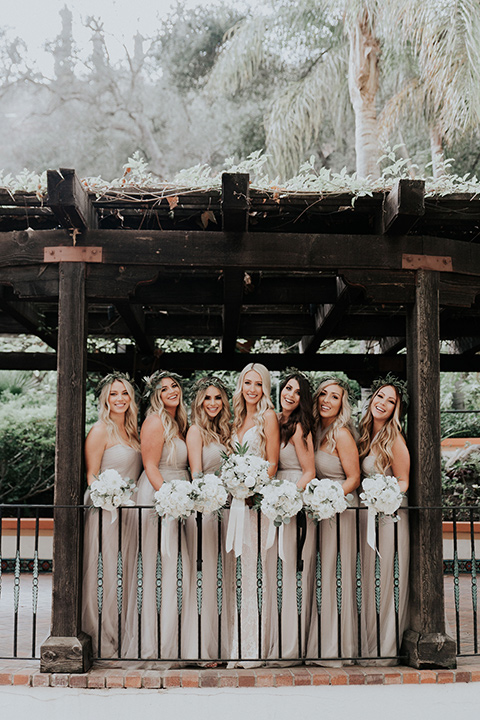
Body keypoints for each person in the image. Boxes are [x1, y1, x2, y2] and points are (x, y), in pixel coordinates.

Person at [125, 371, 193, 663]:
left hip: (180, 495)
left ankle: (176, 637)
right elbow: (150, 466)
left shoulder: (181, 424)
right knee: (157, 567)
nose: (171, 391)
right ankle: (153, 641)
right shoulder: (154, 422)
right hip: (158, 496)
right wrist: (169, 497)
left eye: (174, 386)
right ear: (156, 395)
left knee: (178, 568)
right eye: (164, 389)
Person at [82, 373, 142, 658]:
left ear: (131, 399)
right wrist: (107, 497)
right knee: (103, 572)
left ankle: (121, 634)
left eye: (124, 394)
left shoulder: (134, 432)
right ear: (105, 398)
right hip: (105, 511)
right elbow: (91, 475)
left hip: (130, 511)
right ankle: (100, 638)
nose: (119, 399)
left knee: (126, 573)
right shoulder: (99, 431)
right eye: (114, 394)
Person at [227, 362, 279, 667]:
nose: (252, 389)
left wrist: (253, 488)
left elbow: (272, 463)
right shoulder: (236, 418)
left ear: (265, 388)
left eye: (258, 384)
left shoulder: (268, 417)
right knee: (240, 574)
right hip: (236, 505)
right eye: (248, 382)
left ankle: (253, 646)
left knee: (255, 573)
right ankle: (237, 643)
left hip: (256, 506)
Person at [306, 376, 361, 665]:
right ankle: (319, 643)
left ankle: (337, 647)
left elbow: (353, 478)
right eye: (323, 395)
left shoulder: (341, 434)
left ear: (342, 404)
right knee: (320, 575)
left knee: (336, 575)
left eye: (334, 397)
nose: (327, 400)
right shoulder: (314, 431)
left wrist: (328, 497)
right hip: (319, 513)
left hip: (340, 512)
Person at [358, 374, 410, 665]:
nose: (383, 403)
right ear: (372, 398)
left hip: (389, 518)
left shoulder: (395, 440)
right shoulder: (366, 434)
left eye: (391, 401)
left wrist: (384, 496)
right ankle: (369, 642)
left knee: (387, 580)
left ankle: (385, 647)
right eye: (381, 397)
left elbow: (403, 482)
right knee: (370, 580)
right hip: (370, 518)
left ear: (395, 410)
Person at [265, 370, 315, 663]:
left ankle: (290, 645)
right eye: (287, 388)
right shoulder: (275, 420)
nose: (290, 394)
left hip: (291, 502)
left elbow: (309, 471)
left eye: (297, 392)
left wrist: (289, 498)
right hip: (275, 497)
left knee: (289, 572)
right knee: (275, 572)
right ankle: (276, 636)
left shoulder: (298, 427)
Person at [186, 376, 232, 663]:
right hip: (206, 510)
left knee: (224, 578)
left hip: (228, 510)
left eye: (218, 398)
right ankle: (203, 648)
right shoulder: (195, 432)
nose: (213, 403)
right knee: (206, 577)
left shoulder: (226, 432)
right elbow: (197, 475)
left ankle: (224, 645)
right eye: (207, 398)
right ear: (199, 402)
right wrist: (209, 500)